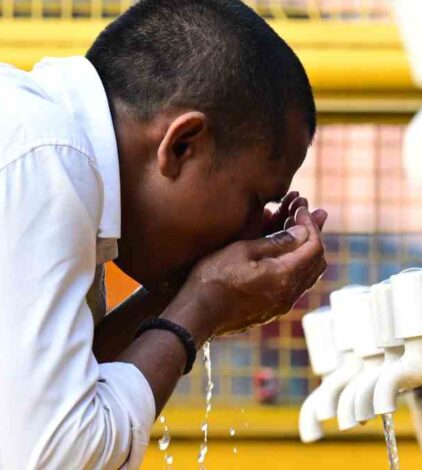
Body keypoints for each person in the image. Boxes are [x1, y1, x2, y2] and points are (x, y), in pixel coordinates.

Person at [0, 0, 327, 467]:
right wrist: (203, 305)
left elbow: (56, 391)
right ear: (181, 145)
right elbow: (57, 455)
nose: (251, 231)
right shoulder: (49, 157)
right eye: (255, 200)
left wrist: (187, 295)